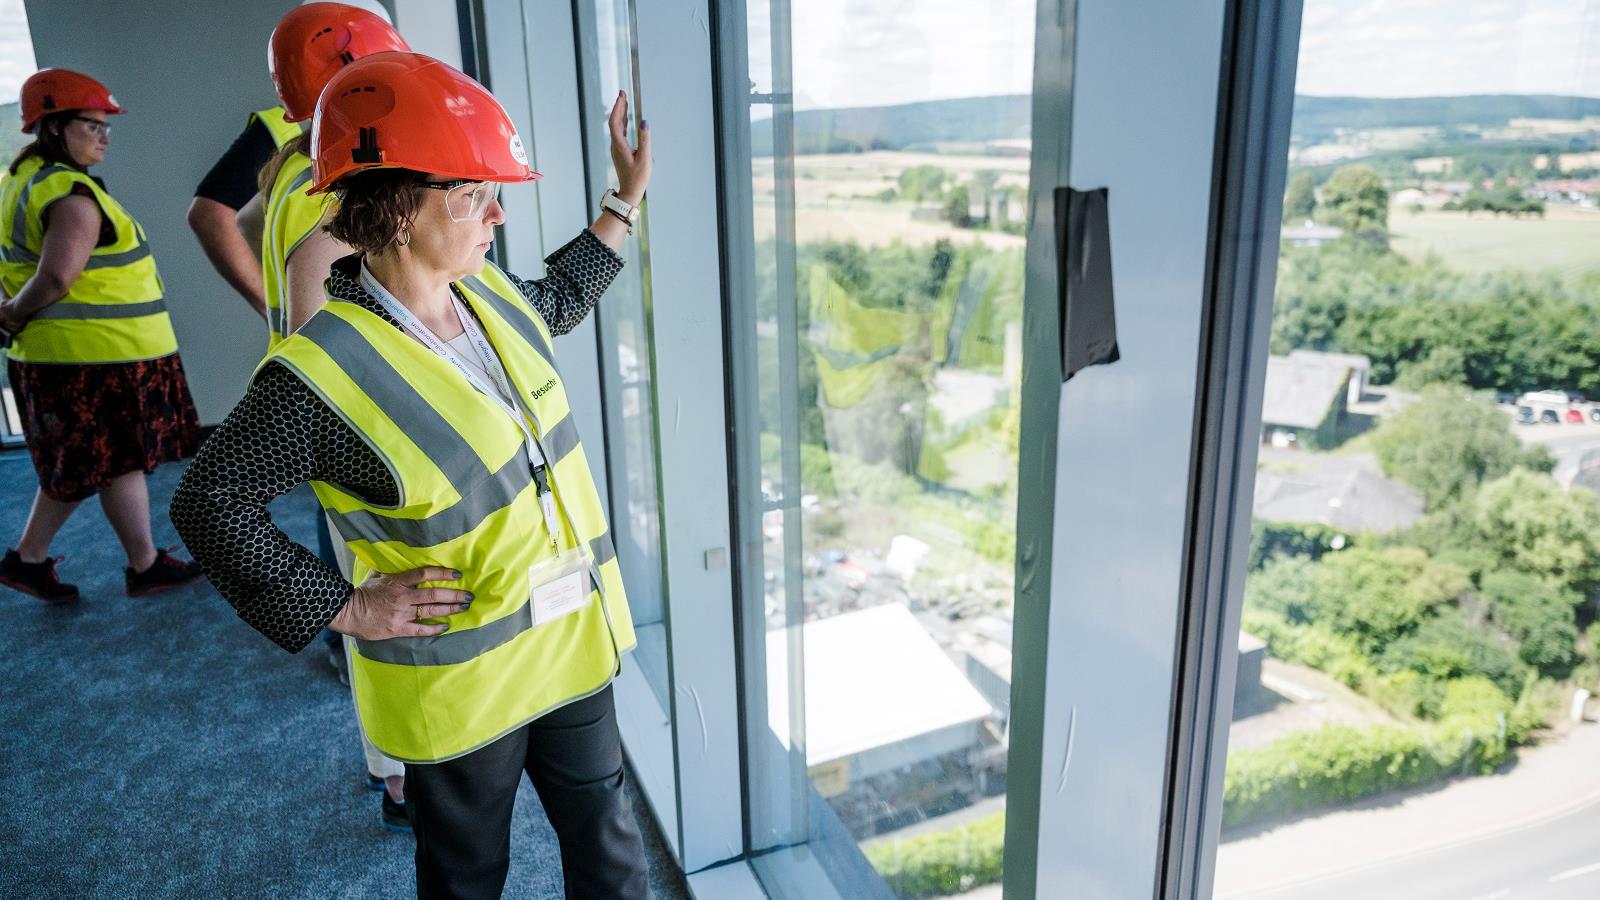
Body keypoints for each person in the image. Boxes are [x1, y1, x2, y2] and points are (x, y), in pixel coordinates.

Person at [171, 51, 654, 898]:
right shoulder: (319, 376)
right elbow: (211, 500)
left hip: (571, 641)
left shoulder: (491, 296)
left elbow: (561, 299)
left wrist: (624, 199)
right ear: (398, 212)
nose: (496, 212)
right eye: (471, 195)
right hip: (462, 683)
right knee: (467, 876)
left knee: (610, 852)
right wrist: (346, 606)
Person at [244, 1, 416, 834]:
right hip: (348, 423)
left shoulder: (284, 163)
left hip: (310, 412)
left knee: (354, 573)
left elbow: (249, 233)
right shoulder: (344, 173)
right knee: (379, 595)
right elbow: (317, 275)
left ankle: (392, 765)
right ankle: (398, 779)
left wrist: (274, 319)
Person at [0, 69, 205, 603]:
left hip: (77, 357)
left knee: (110, 462)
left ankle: (137, 562)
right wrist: (14, 314)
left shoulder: (23, 181)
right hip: (94, 359)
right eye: (93, 125)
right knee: (86, 464)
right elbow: (56, 277)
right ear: (53, 126)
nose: (104, 136)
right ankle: (34, 558)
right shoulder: (70, 194)